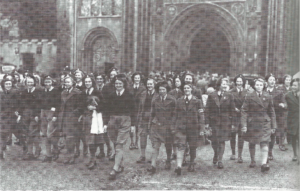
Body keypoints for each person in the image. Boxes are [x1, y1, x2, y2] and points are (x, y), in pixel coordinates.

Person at [241, 78, 277, 172]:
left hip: (265, 123)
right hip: (253, 122)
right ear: (254, 85)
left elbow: (272, 112)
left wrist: (273, 126)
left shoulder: (268, 96)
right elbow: (244, 111)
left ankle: (264, 163)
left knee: (264, 142)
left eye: (261, 85)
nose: (259, 87)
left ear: (264, 86)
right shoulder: (249, 96)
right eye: (257, 85)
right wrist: (244, 125)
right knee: (252, 142)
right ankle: (252, 160)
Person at [106, 74, 135, 180]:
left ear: (124, 84)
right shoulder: (111, 95)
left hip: (125, 120)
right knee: (115, 143)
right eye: (116, 83)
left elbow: (134, 111)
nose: (118, 85)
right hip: (113, 121)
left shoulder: (129, 95)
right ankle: (120, 164)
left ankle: (115, 168)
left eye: (120, 83)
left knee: (119, 144)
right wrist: (106, 123)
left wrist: (133, 125)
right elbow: (106, 109)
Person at [173, 83, 205, 175]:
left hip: (193, 128)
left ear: (191, 89)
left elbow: (201, 116)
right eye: (185, 88)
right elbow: (175, 114)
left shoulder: (197, 101)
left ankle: (192, 162)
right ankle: (179, 164)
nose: (186, 89)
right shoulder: (179, 101)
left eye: (188, 88)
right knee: (180, 145)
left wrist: (202, 129)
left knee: (192, 147)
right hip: (181, 128)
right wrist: (174, 126)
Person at [205, 77, 235, 169]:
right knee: (214, 141)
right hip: (213, 121)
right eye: (223, 83)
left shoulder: (229, 95)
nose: (225, 85)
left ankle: (220, 160)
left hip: (225, 122)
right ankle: (216, 153)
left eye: (226, 83)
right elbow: (207, 109)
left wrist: (233, 122)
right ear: (219, 85)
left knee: (222, 141)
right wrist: (206, 122)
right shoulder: (212, 95)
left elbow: (232, 110)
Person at [147, 81, 176, 174]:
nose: (161, 91)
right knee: (155, 146)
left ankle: (168, 160)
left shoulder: (172, 100)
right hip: (157, 126)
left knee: (168, 145)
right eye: (160, 89)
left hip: (168, 126)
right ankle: (153, 166)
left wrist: (173, 125)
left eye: (163, 89)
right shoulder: (155, 100)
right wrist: (150, 125)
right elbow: (152, 113)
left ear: (167, 90)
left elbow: (175, 114)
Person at [58, 75, 84, 164]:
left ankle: (71, 156)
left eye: (68, 82)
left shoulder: (77, 93)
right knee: (66, 137)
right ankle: (69, 155)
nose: (66, 83)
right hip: (64, 117)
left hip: (72, 117)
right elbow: (61, 105)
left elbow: (80, 106)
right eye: (65, 82)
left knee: (71, 138)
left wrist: (74, 114)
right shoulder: (63, 92)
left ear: (73, 83)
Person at [18, 75, 42, 160]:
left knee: (33, 132)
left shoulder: (38, 91)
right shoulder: (24, 92)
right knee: (27, 133)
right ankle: (30, 152)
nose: (30, 84)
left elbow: (39, 105)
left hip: (34, 114)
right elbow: (21, 104)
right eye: (28, 82)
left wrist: (37, 115)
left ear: (34, 83)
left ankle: (37, 148)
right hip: (25, 114)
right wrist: (20, 115)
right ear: (26, 83)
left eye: (31, 82)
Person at [83, 93, 108, 170]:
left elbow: (105, 117)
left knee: (98, 143)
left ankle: (96, 158)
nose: (94, 104)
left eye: (96, 102)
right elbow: (85, 120)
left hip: (99, 128)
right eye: (92, 102)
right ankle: (92, 159)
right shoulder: (87, 112)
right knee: (91, 144)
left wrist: (105, 125)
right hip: (91, 129)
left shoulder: (101, 112)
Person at [265, 73, 287, 158]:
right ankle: (265, 152)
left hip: (275, 116)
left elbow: (285, 103)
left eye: (274, 80)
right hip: (264, 116)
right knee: (265, 135)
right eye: (270, 80)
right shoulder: (263, 90)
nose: (272, 81)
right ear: (267, 81)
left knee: (273, 134)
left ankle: (270, 151)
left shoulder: (279, 92)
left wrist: (283, 105)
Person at [136, 78, 158, 163]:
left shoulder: (157, 95)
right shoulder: (143, 94)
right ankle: (142, 155)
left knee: (153, 138)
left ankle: (153, 156)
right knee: (142, 137)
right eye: (148, 84)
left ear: (154, 85)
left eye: (151, 84)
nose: (149, 86)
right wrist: (139, 118)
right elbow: (140, 108)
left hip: (153, 120)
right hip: (144, 119)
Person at [40, 75, 61, 162]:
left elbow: (59, 104)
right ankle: (48, 155)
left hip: (51, 113)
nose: (47, 83)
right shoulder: (43, 91)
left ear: (52, 82)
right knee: (44, 134)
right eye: (46, 82)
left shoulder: (55, 91)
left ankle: (56, 150)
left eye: (49, 82)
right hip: (43, 112)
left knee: (50, 134)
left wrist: (55, 115)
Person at [229, 74, 247, 163]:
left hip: (242, 116)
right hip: (233, 116)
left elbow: (248, 103)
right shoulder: (231, 92)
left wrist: (243, 109)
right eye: (238, 81)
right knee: (232, 135)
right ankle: (233, 153)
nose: (239, 83)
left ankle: (240, 155)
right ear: (235, 82)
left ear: (243, 82)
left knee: (241, 136)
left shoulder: (247, 92)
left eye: (241, 81)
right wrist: (234, 108)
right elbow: (228, 103)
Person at [94, 73, 112, 158]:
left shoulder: (107, 88)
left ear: (103, 80)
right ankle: (101, 151)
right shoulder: (95, 88)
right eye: (97, 79)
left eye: (100, 79)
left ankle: (109, 148)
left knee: (105, 132)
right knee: (98, 132)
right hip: (97, 112)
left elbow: (108, 101)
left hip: (105, 112)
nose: (99, 80)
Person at [0, 78, 18, 159]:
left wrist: (17, 112)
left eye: (9, 84)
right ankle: (1, 151)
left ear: (12, 85)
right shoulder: (1, 94)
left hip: (12, 116)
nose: (8, 86)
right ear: (3, 85)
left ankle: (25, 148)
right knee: (2, 134)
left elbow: (18, 104)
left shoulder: (15, 93)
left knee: (17, 134)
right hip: (3, 117)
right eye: (6, 84)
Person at [129, 72, 146, 150]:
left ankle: (136, 142)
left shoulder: (143, 88)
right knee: (131, 126)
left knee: (138, 126)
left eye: (138, 78)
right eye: (135, 78)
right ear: (133, 79)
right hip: (130, 109)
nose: (137, 79)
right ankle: (131, 142)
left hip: (138, 110)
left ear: (140, 79)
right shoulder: (129, 87)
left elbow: (142, 100)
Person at [168, 75, 184, 160]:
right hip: (173, 115)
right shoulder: (171, 92)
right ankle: (174, 152)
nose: (177, 83)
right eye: (176, 81)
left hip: (182, 115)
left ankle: (182, 153)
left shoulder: (184, 91)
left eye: (178, 81)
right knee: (173, 134)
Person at [285, 79, 299, 162]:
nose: (293, 87)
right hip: (292, 119)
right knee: (294, 137)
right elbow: (283, 101)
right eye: (292, 85)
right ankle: (295, 155)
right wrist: (283, 105)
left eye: (295, 85)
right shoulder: (288, 95)